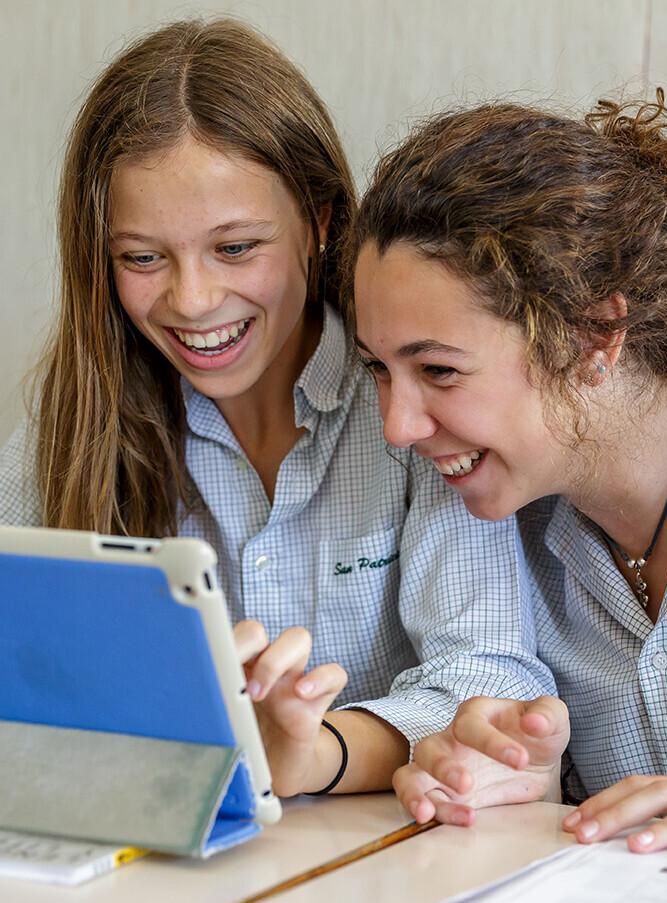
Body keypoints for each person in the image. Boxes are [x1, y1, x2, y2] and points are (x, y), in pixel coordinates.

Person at [0, 19, 553, 800]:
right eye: (143, 257)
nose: (193, 300)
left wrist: (316, 750)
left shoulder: (413, 408)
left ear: (319, 223)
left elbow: (488, 679)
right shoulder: (80, 415)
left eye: (235, 248)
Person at [350, 91, 667, 851]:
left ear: (593, 335)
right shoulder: (504, 531)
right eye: (377, 369)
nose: (397, 427)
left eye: (438, 370)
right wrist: (519, 786)